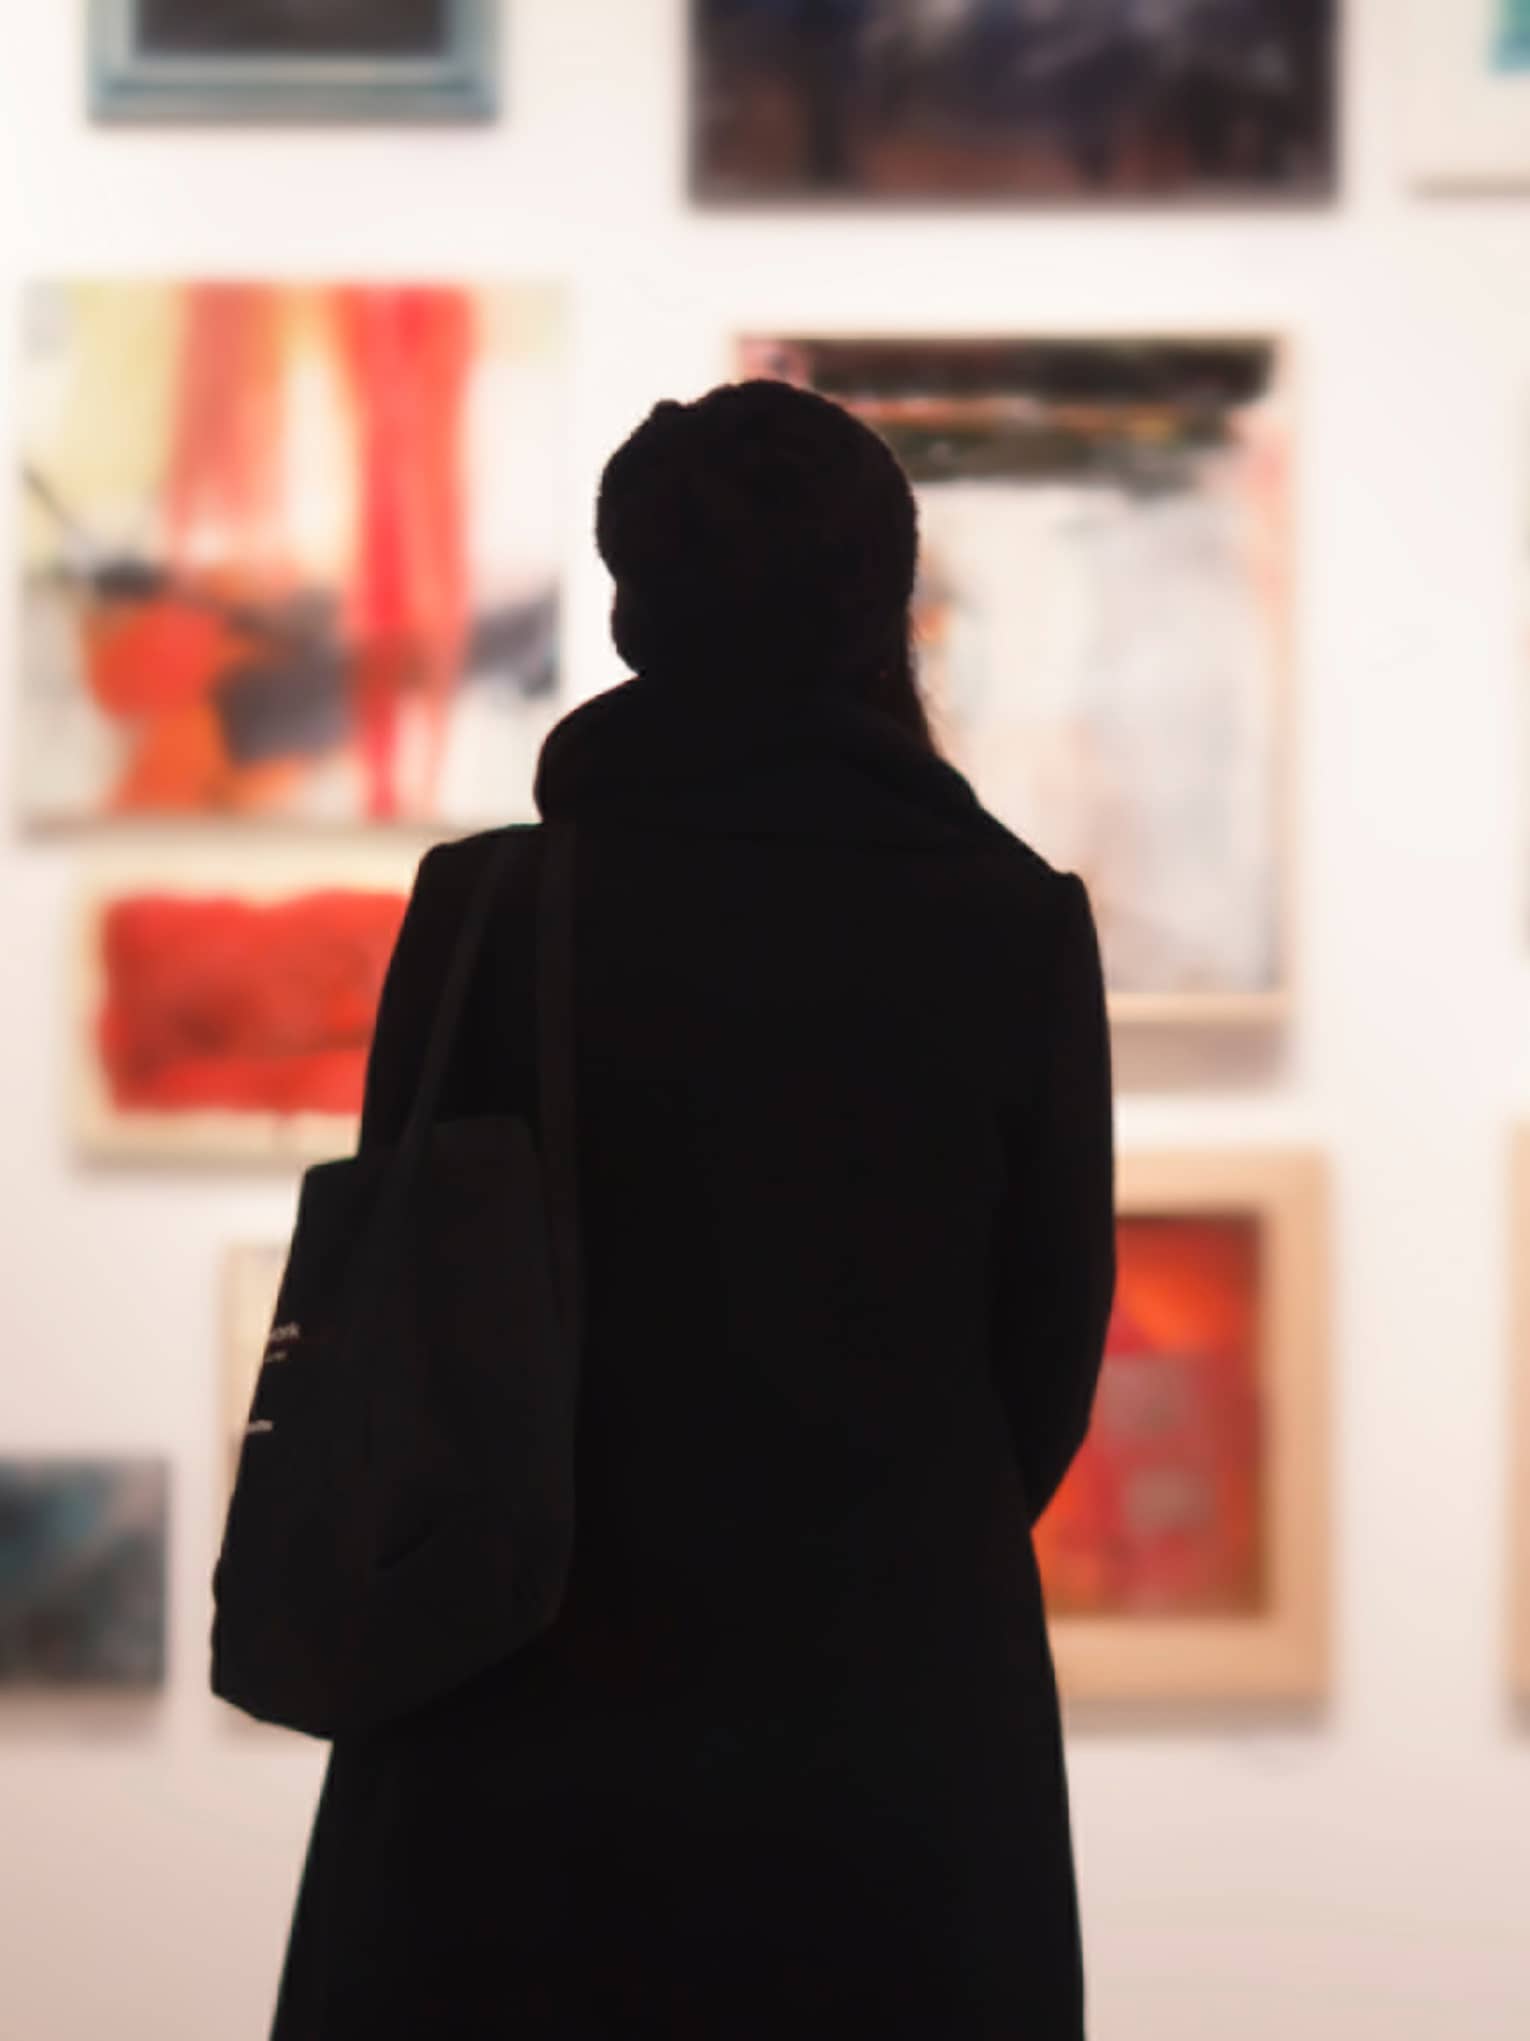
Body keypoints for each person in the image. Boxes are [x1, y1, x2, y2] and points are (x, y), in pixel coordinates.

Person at [269, 378, 1116, 2039]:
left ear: (630, 610)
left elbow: (400, 1316)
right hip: (898, 1755)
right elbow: (1044, 1368)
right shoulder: (1010, 924)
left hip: (512, 1713)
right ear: (884, 605)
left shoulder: (494, 908)